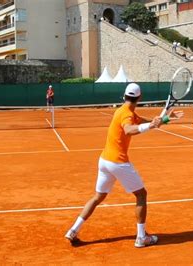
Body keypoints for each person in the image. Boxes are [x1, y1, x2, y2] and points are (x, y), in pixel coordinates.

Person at [65, 83, 183, 248]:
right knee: (141, 195)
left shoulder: (123, 111)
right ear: (139, 98)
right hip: (117, 162)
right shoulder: (127, 115)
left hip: (104, 161)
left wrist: (165, 118)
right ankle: (141, 238)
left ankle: (73, 230)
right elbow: (129, 129)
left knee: (97, 197)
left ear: (125, 96)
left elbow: (147, 123)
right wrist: (151, 124)